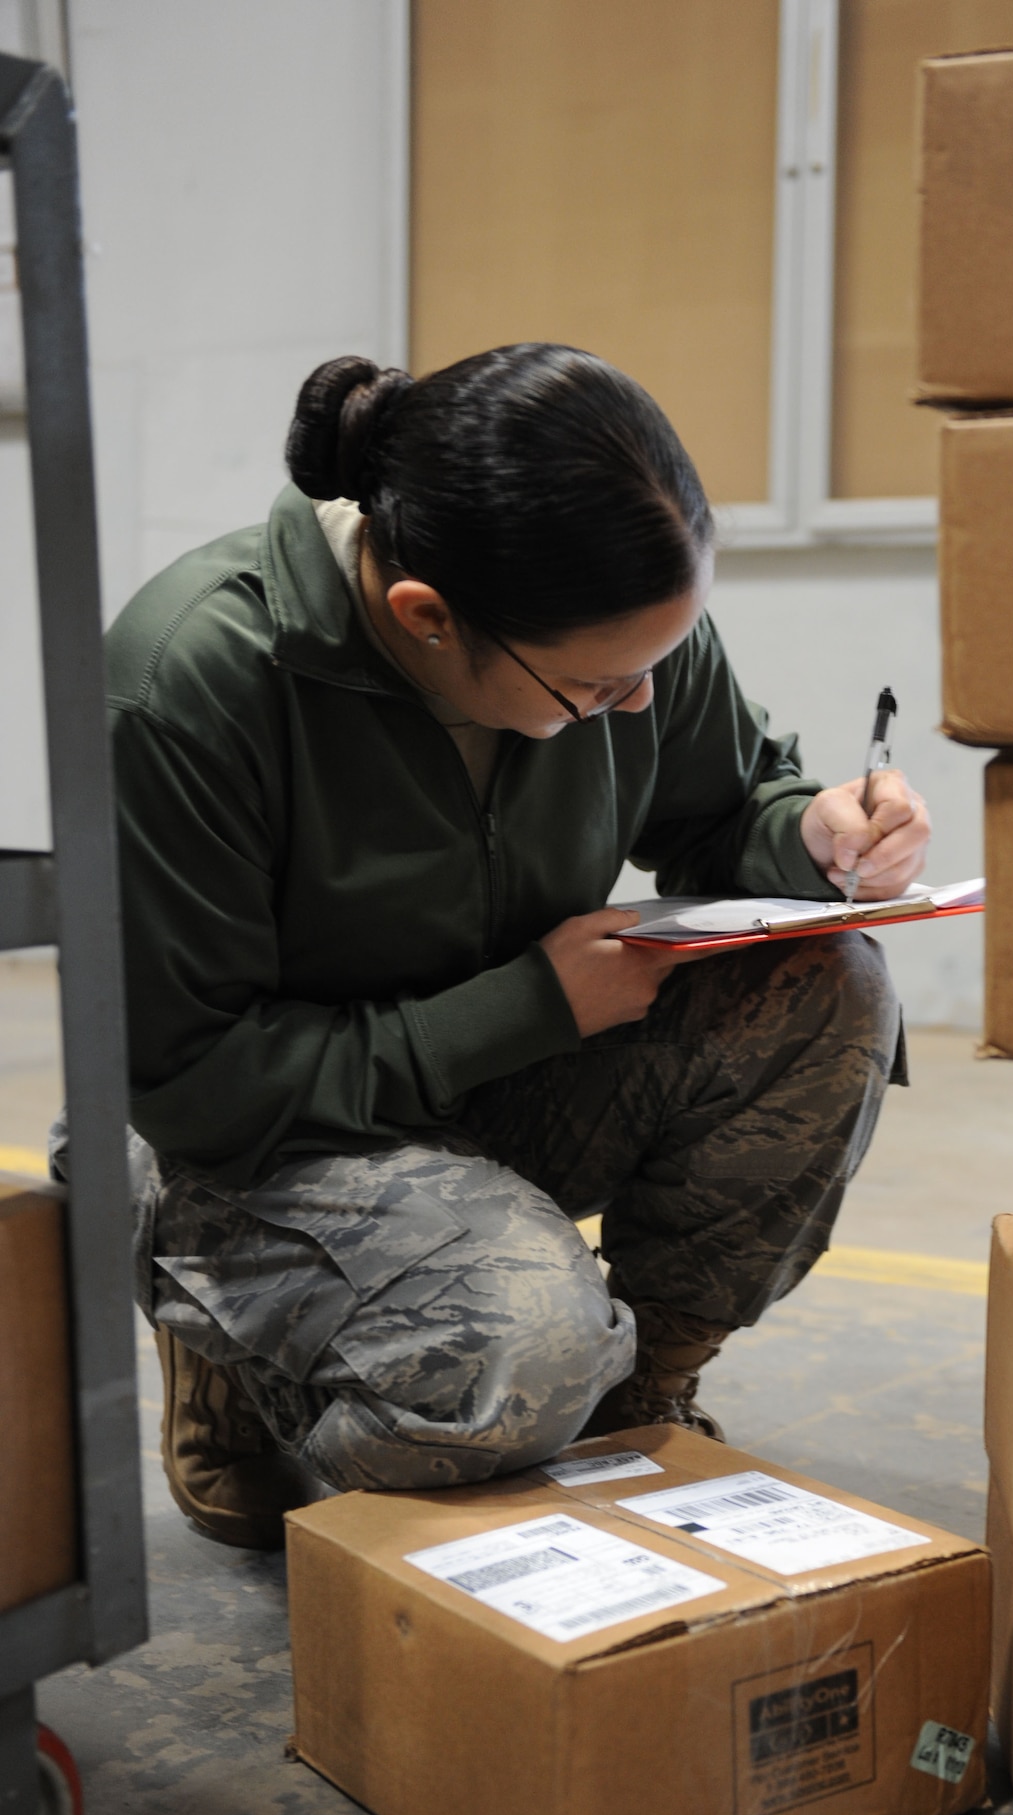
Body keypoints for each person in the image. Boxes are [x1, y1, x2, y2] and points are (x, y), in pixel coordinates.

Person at [104, 345, 931, 1549]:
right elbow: (194, 1079)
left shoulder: (613, 645)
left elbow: (722, 805)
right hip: (257, 1146)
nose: (639, 704)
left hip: (489, 1083)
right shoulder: (194, 682)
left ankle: (635, 1408)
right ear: (427, 619)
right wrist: (529, 1005)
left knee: (829, 982)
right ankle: (245, 1346)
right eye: (598, 689)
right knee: (521, 1364)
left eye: (656, 665)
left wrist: (813, 836)